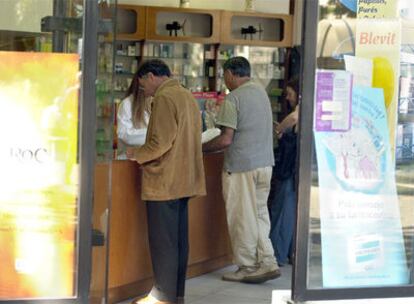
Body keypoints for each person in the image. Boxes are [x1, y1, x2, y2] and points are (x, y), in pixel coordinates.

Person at [126, 59, 206, 304]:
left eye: (143, 85)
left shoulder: (164, 97)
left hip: (165, 181)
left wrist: (136, 155)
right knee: (179, 241)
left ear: (151, 76)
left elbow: (160, 142)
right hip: (184, 180)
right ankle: (175, 294)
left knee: (163, 242)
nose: (144, 90)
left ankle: (161, 296)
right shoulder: (186, 95)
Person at [202, 56, 280, 284]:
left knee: (242, 219)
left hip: (241, 167)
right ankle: (267, 261)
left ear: (231, 74)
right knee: (259, 216)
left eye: (224, 75)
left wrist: (201, 149)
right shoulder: (261, 92)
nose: (224, 80)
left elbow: (226, 140)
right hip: (265, 165)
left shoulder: (233, 98)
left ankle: (247, 266)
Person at [269, 77, 300, 266]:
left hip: (289, 169)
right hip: (295, 169)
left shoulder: (300, 111)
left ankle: (277, 254)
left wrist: (279, 128)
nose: (287, 98)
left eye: (290, 94)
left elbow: (295, 117)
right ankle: (288, 252)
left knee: (283, 211)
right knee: (289, 211)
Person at [117, 73, 152, 158]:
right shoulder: (127, 104)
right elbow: (124, 134)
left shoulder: (154, 104)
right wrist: (152, 134)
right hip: (129, 160)